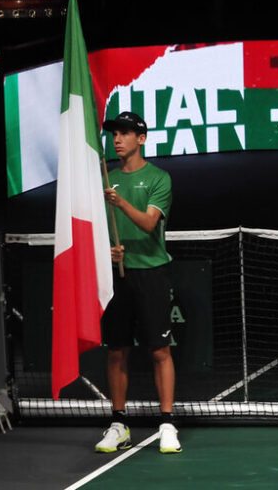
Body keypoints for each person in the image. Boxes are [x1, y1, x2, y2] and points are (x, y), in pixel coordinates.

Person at [95, 111, 180, 454]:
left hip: (151, 274)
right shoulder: (107, 179)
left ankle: (167, 424)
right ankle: (118, 424)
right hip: (117, 275)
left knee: (159, 350)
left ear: (141, 139)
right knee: (116, 350)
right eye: (114, 133)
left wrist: (120, 202)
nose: (117, 139)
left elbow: (148, 223)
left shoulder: (159, 178)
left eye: (125, 133)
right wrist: (108, 250)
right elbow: (96, 229)